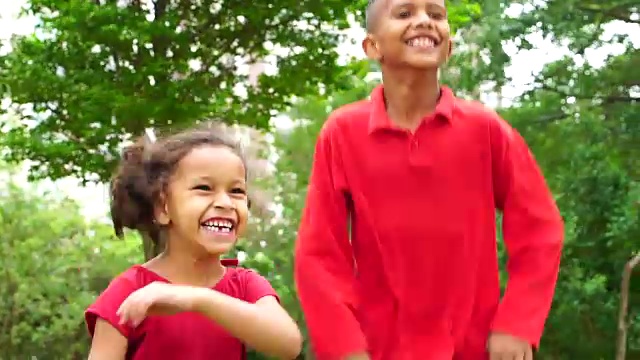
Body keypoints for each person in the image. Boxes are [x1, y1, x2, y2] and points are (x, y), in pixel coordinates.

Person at [293, 0, 564, 359]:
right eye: (405, 14)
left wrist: (516, 324)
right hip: (380, 350)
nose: (424, 22)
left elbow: (540, 229)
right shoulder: (342, 133)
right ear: (372, 47)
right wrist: (344, 344)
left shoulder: (485, 129)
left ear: (448, 46)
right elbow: (319, 253)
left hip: (476, 348)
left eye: (436, 15)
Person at [85, 124, 302, 359]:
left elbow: (288, 344)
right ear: (162, 207)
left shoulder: (245, 285)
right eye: (204, 188)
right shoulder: (130, 290)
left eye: (236, 191)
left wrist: (196, 299)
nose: (226, 203)